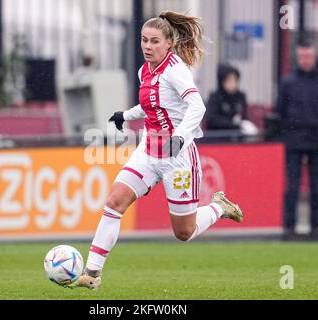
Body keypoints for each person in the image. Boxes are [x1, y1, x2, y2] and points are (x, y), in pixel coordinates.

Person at [69, 11, 244, 290]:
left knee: (183, 232)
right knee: (115, 202)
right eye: (143, 40)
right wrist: (126, 115)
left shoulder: (176, 70)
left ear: (169, 44)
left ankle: (219, 207)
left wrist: (180, 137)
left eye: (154, 41)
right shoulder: (144, 70)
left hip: (178, 158)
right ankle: (92, 273)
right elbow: (151, 104)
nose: (147, 47)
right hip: (148, 151)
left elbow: (197, 106)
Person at [275, 39, 318, 236]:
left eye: (308, 56)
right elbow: (279, 113)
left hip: (317, 142)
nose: (305, 60)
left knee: (315, 187)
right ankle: (289, 226)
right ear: (297, 57)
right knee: (292, 186)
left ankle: (315, 227)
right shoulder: (288, 82)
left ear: (315, 57)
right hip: (293, 142)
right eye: (302, 56)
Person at [205, 63, 249, 131]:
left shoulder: (240, 97)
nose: (234, 84)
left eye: (236, 80)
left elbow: (244, 117)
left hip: (236, 137)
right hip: (217, 137)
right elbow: (211, 120)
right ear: (222, 81)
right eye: (230, 80)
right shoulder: (215, 97)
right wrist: (233, 124)